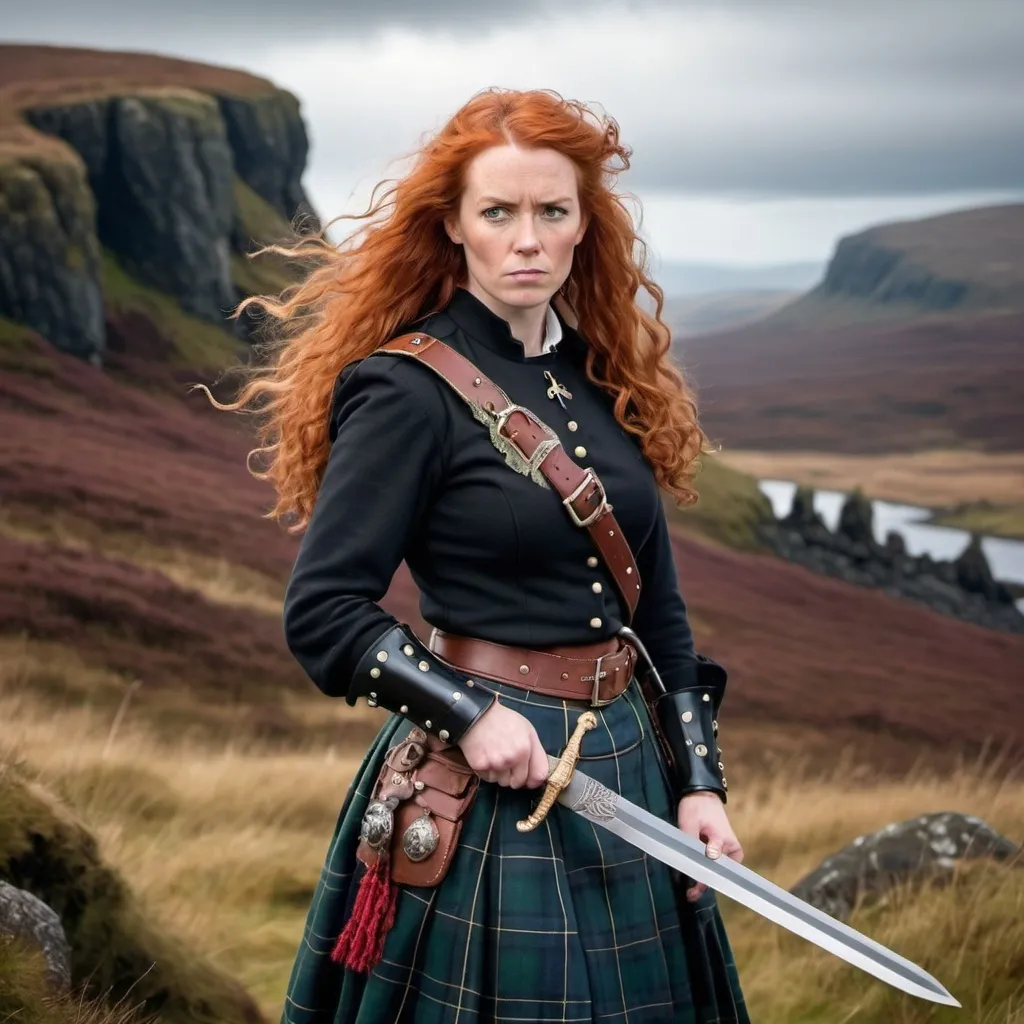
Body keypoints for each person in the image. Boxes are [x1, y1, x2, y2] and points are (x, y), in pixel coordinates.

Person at [222, 87, 748, 1023]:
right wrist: (467, 715)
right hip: (487, 783)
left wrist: (698, 783)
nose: (528, 239)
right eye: (498, 212)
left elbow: (655, 607)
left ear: (586, 225)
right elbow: (324, 613)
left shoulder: (601, 377)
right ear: (455, 228)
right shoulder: (405, 389)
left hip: (629, 767)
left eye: (552, 211)